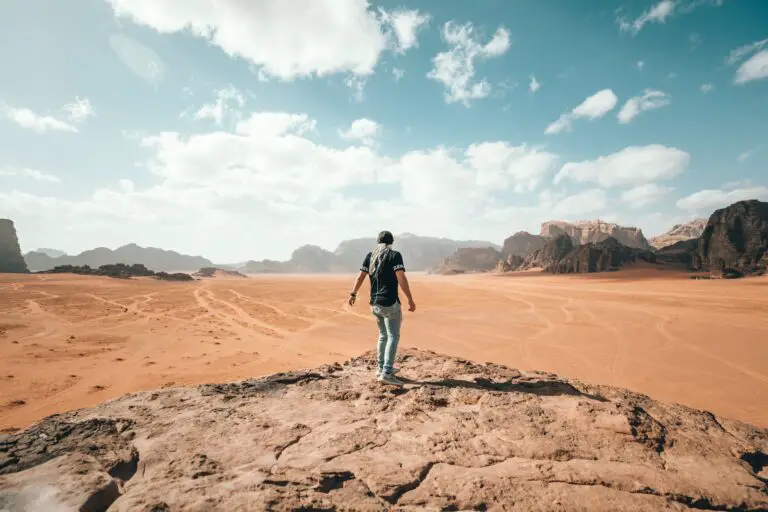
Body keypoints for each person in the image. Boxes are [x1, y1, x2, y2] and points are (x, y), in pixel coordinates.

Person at [348, 230, 416, 386]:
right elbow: (401, 277)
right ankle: (386, 372)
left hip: (375, 303)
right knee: (393, 336)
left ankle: (380, 368)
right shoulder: (394, 255)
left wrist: (353, 294)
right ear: (391, 242)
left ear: (378, 242)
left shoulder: (370, 256)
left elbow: (360, 276)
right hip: (390, 302)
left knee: (383, 335)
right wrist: (410, 299)